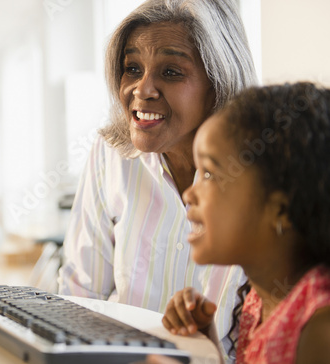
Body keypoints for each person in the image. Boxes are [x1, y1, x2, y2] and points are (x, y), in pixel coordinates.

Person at [57, 0, 257, 359]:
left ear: (218, 82)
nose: (142, 89)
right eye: (132, 68)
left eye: (170, 72)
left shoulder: (260, 178)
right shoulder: (110, 155)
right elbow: (79, 297)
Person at [156, 82, 330, 364]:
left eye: (210, 174)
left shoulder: (320, 330)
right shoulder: (258, 302)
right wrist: (205, 337)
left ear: (280, 209)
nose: (190, 194)